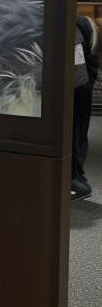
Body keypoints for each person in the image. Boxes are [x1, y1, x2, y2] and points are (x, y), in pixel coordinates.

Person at [71, 14, 98, 200]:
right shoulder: (77, 24)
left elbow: (77, 73)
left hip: (76, 88)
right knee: (77, 129)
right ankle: (75, 176)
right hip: (79, 85)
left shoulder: (72, 27)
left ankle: (75, 178)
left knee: (74, 130)